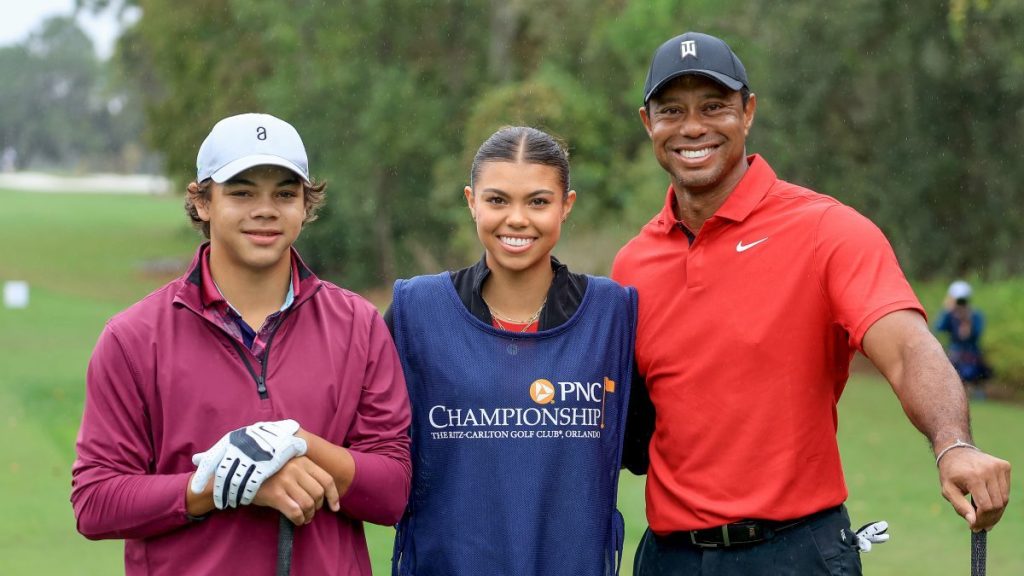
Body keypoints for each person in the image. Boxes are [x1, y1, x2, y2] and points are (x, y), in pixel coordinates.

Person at [611, 32, 1011, 575]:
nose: (693, 127)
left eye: (714, 107)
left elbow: (907, 347)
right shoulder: (632, 264)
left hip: (795, 553)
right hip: (668, 558)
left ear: (747, 112)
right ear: (647, 124)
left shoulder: (828, 231)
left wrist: (954, 443)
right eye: (672, 111)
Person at [71, 113, 412, 575]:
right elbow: (95, 501)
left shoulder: (359, 325)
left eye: (285, 194)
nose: (266, 209)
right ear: (203, 201)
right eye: (242, 191)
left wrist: (295, 444)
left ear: (306, 206)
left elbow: (392, 493)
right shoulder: (133, 338)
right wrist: (215, 486)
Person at [387, 126, 638, 575]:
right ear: (471, 202)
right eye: (497, 200)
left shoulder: (612, 316)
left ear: (567, 206)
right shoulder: (417, 312)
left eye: (538, 202)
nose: (517, 219)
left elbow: (648, 446)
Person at [936, 280, 992, 398]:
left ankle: (975, 390)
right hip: (954, 352)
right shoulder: (950, 314)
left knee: (972, 373)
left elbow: (975, 334)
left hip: (972, 353)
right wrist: (947, 310)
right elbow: (938, 328)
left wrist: (967, 320)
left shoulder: (975, 315)